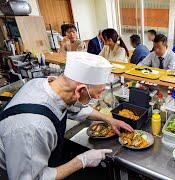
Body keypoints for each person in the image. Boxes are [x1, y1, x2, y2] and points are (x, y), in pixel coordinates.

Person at [0, 52, 133, 179]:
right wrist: (82, 160)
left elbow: (75, 109)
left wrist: (109, 119)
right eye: (94, 96)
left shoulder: (45, 85)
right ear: (80, 90)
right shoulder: (34, 127)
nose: (96, 99)